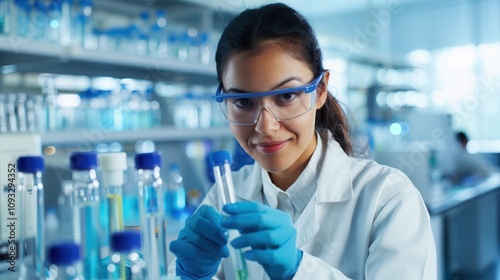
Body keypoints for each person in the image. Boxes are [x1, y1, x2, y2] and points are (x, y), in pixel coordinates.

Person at [169, 3, 436, 279]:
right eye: (242, 101)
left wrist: (300, 270)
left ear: (319, 91)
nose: (266, 126)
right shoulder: (222, 199)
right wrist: (190, 276)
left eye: (286, 96)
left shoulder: (387, 199)